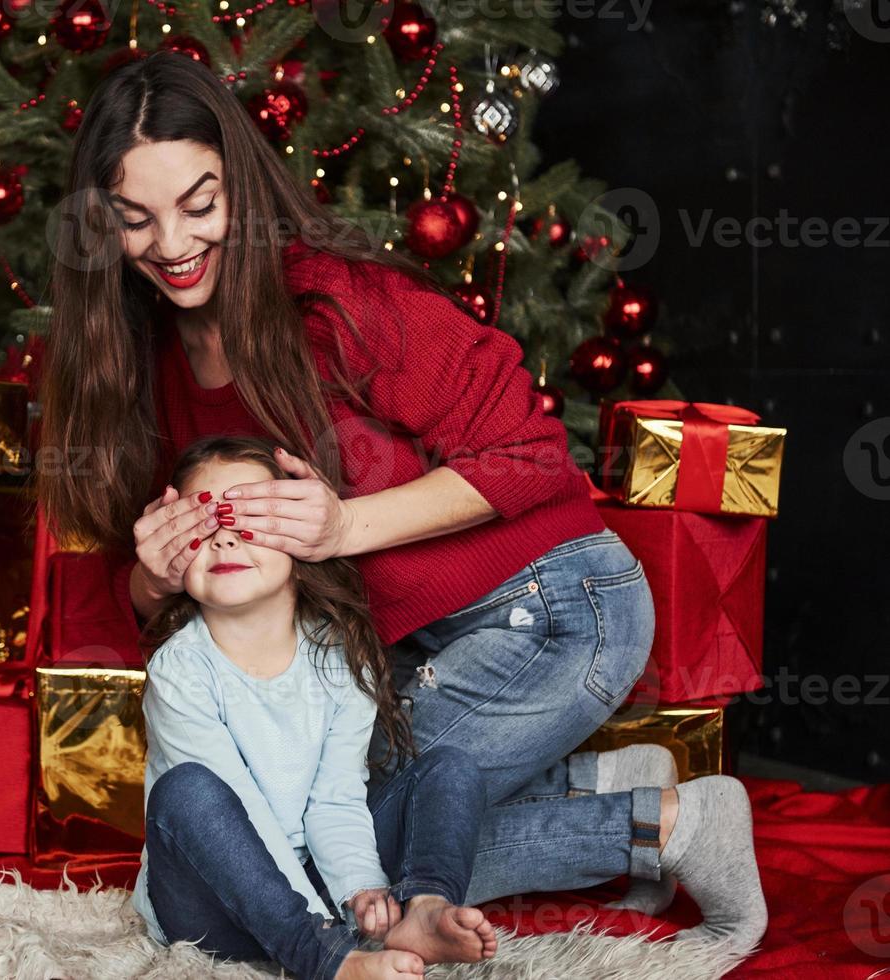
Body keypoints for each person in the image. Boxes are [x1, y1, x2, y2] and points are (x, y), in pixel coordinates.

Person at [38, 50, 767, 952]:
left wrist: (345, 525)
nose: (175, 245)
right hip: (403, 659)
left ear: (243, 193)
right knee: (308, 820)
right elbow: (154, 598)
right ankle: (598, 795)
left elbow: (533, 453)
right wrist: (156, 578)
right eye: (135, 220)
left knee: (315, 852)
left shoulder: (337, 303)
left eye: (200, 206)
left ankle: (666, 827)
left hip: (555, 608)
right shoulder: (142, 363)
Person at [132, 435, 498, 980]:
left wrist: (361, 892)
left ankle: (422, 909)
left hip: (314, 881)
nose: (225, 542)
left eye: (247, 520)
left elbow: (335, 801)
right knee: (186, 790)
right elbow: (243, 816)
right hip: (211, 902)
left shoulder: (341, 657)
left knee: (452, 768)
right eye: (203, 527)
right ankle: (328, 963)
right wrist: (324, 934)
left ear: (301, 544)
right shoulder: (179, 671)